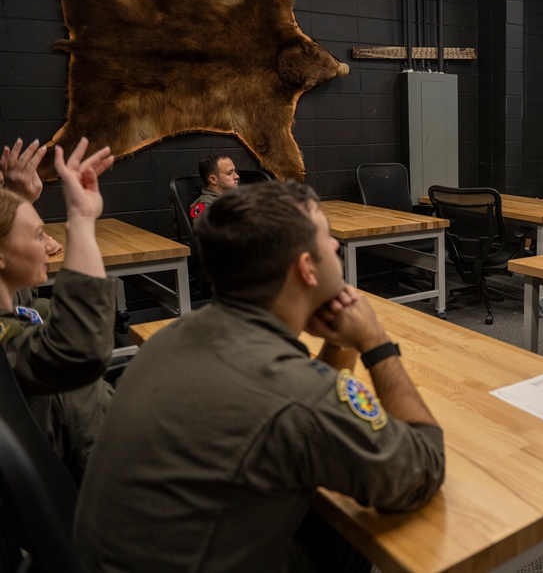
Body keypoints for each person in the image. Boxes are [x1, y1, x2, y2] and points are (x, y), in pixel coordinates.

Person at [75, 181, 446, 573]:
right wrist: (375, 342)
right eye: (327, 239)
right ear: (306, 269)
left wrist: (344, 343)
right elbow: (423, 467)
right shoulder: (297, 394)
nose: (336, 246)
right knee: (356, 521)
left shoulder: (172, 337)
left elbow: (306, 408)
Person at [0, 138, 117, 480]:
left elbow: (17, 296)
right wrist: (80, 219)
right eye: (39, 235)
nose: (50, 245)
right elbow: (79, 349)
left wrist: (19, 201)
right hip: (99, 474)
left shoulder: (16, 301)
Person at [188, 154, 240, 219]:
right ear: (213, 179)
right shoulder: (207, 206)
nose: (237, 176)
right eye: (229, 173)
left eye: (234, 171)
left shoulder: (231, 198)